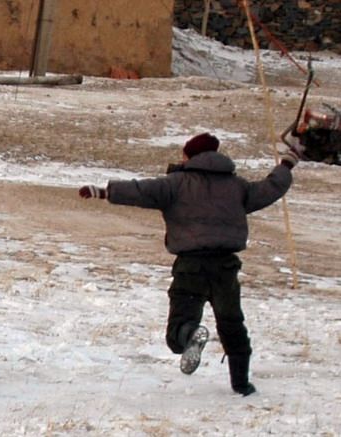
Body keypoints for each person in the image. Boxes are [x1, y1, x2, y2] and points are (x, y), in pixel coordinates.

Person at [79, 133, 301, 396]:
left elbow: (141, 191)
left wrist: (103, 192)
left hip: (190, 266)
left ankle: (190, 335)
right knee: (232, 325)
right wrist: (287, 163)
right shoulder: (236, 186)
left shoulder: (176, 184)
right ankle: (242, 384)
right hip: (225, 268)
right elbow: (269, 189)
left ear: (189, 156)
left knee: (179, 328)